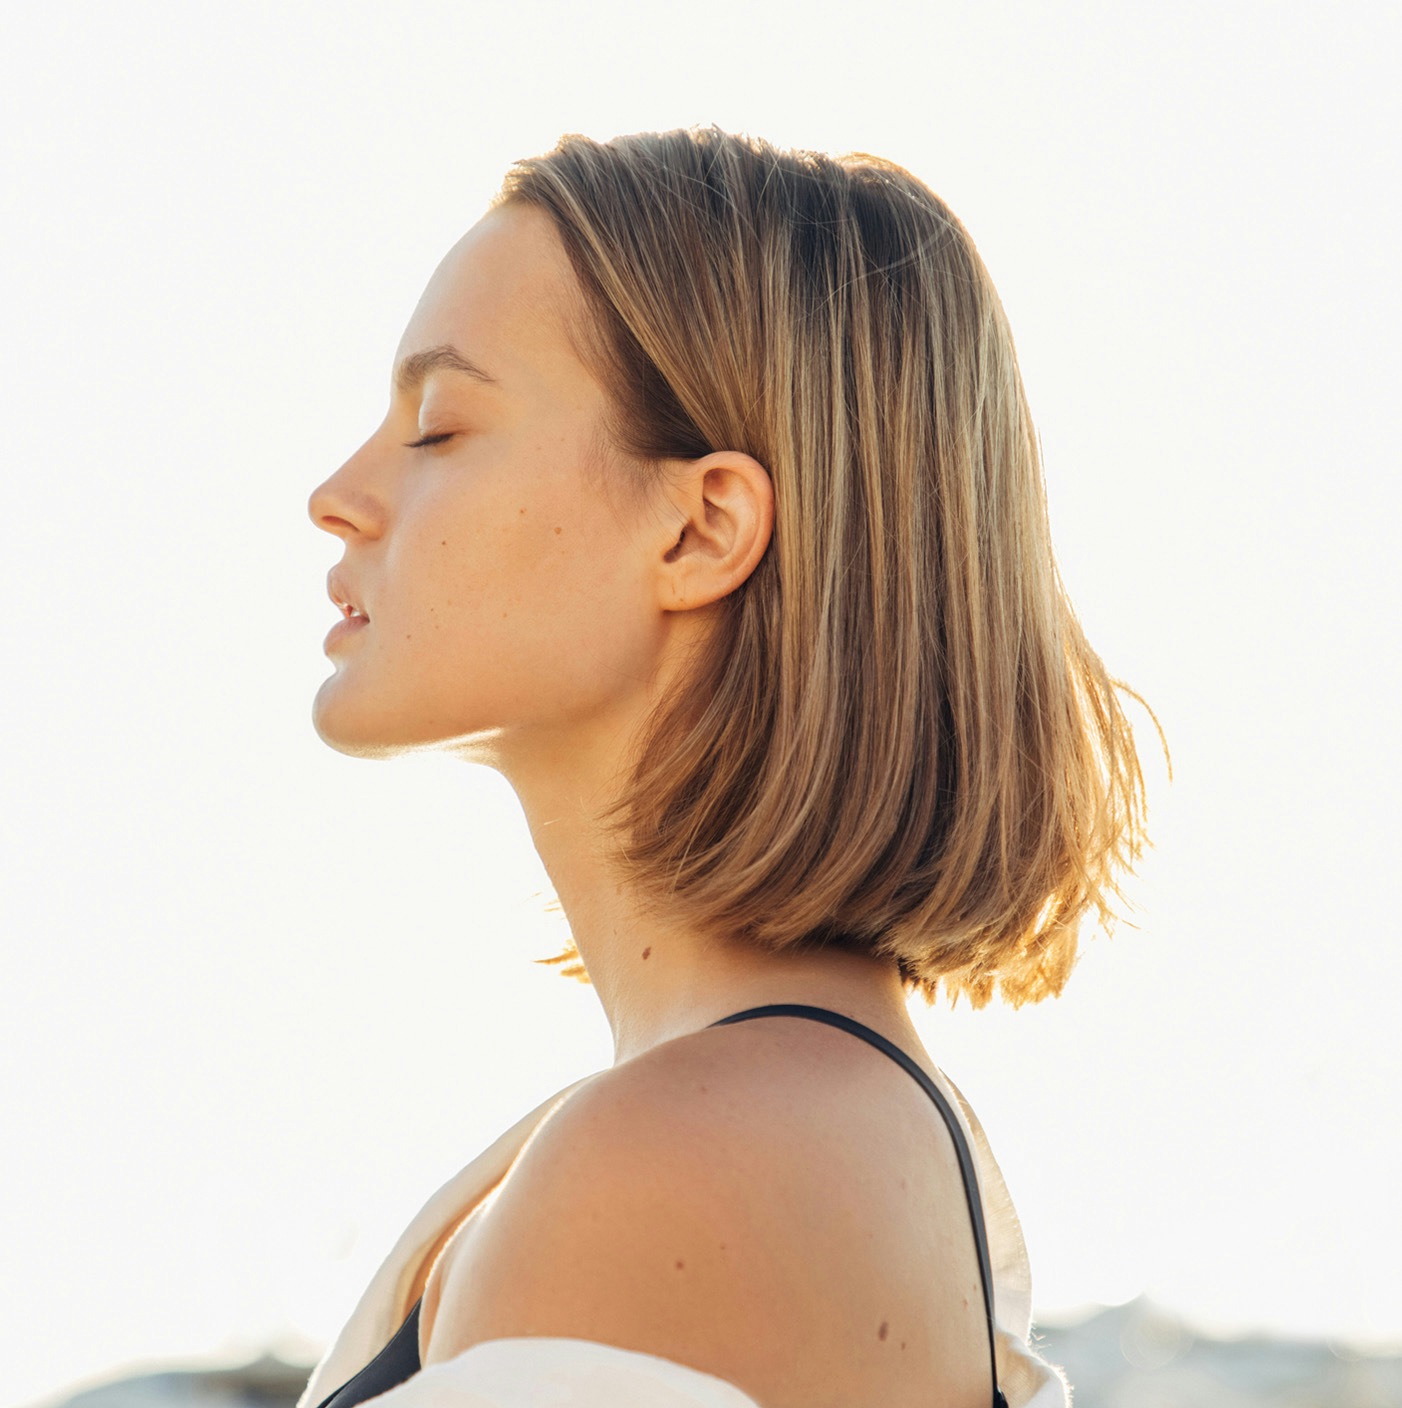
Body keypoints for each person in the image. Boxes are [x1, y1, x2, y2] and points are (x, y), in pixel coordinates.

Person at [301, 127, 1148, 1408]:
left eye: (437, 426)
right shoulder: (788, 1117)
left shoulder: (682, 1163)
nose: (337, 493)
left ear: (702, 527)